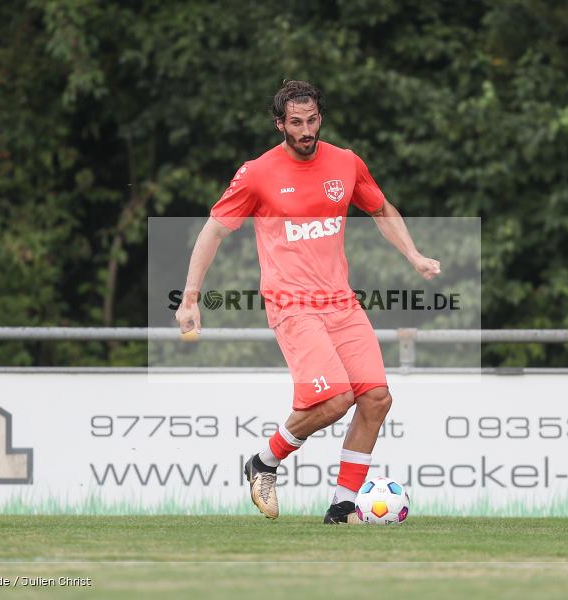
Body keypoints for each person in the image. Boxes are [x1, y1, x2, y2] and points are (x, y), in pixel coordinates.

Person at [174, 80, 440, 524]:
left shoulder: (346, 163)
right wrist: (190, 298)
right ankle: (263, 462)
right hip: (292, 304)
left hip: (341, 302)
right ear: (280, 124)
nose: (306, 130)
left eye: (312, 120)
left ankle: (341, 508)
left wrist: (413, 255)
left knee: (375, 398)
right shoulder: (258, 172)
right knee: (335, 399)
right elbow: (214, 230)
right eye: (295, 123)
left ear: (320, 117)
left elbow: (381, 209)